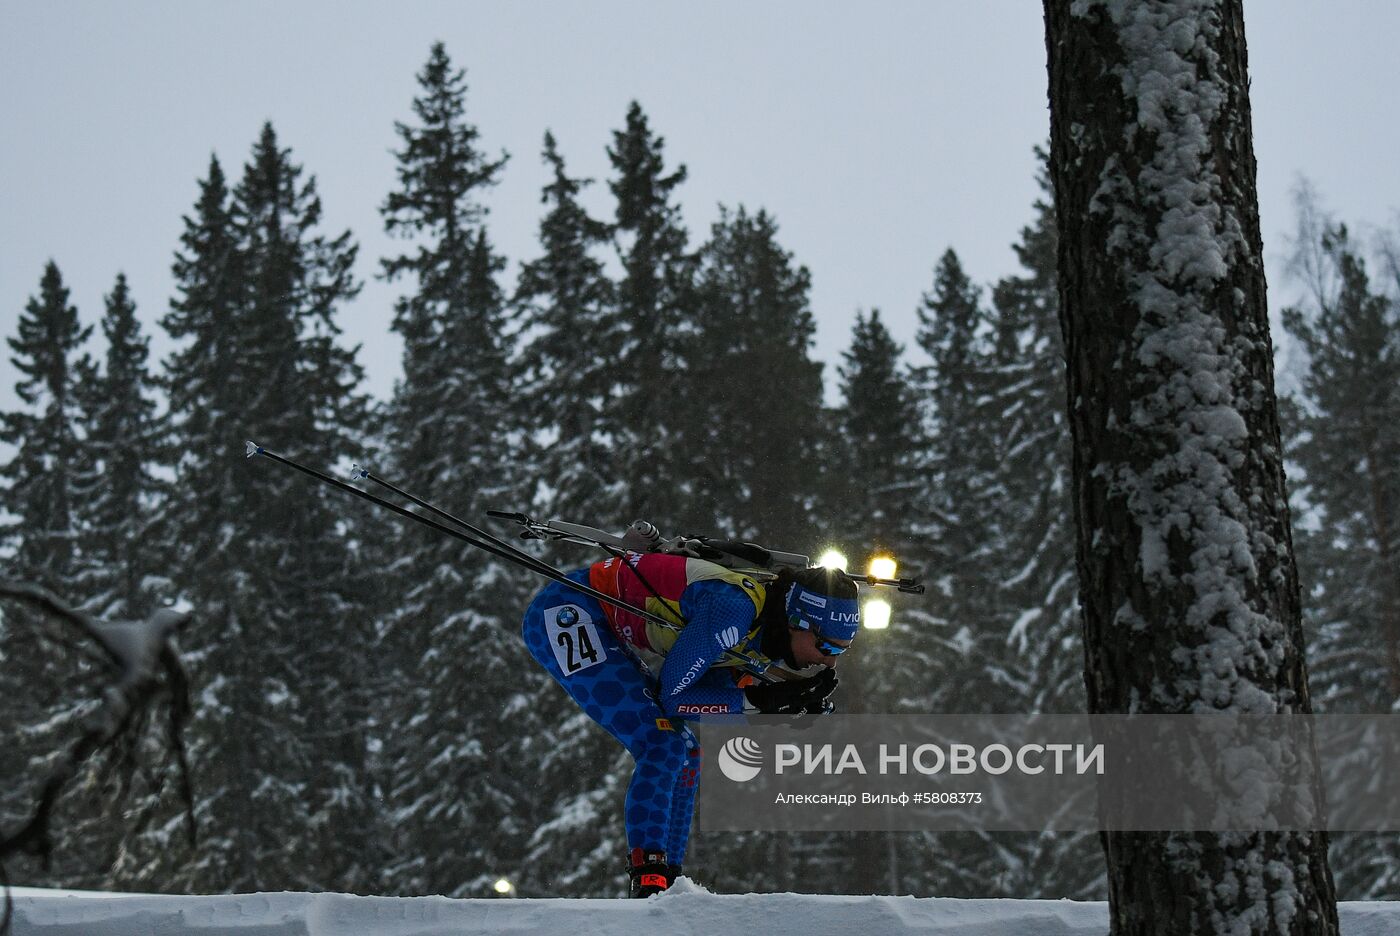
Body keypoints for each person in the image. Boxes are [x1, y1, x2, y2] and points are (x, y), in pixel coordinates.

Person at [520, 551, 860, 898]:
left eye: (841, 651)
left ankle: (668, 883)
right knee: (661, 745)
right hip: (567, 611)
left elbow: (715, 698)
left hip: (600, 620)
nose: (828, 660)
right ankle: (649, 880)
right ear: (798, 621)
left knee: (688, 752)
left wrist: (779, 709)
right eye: (825, 645)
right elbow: (674, 697)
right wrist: (763, 702)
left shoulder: (770, 630)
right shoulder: (735, 610)